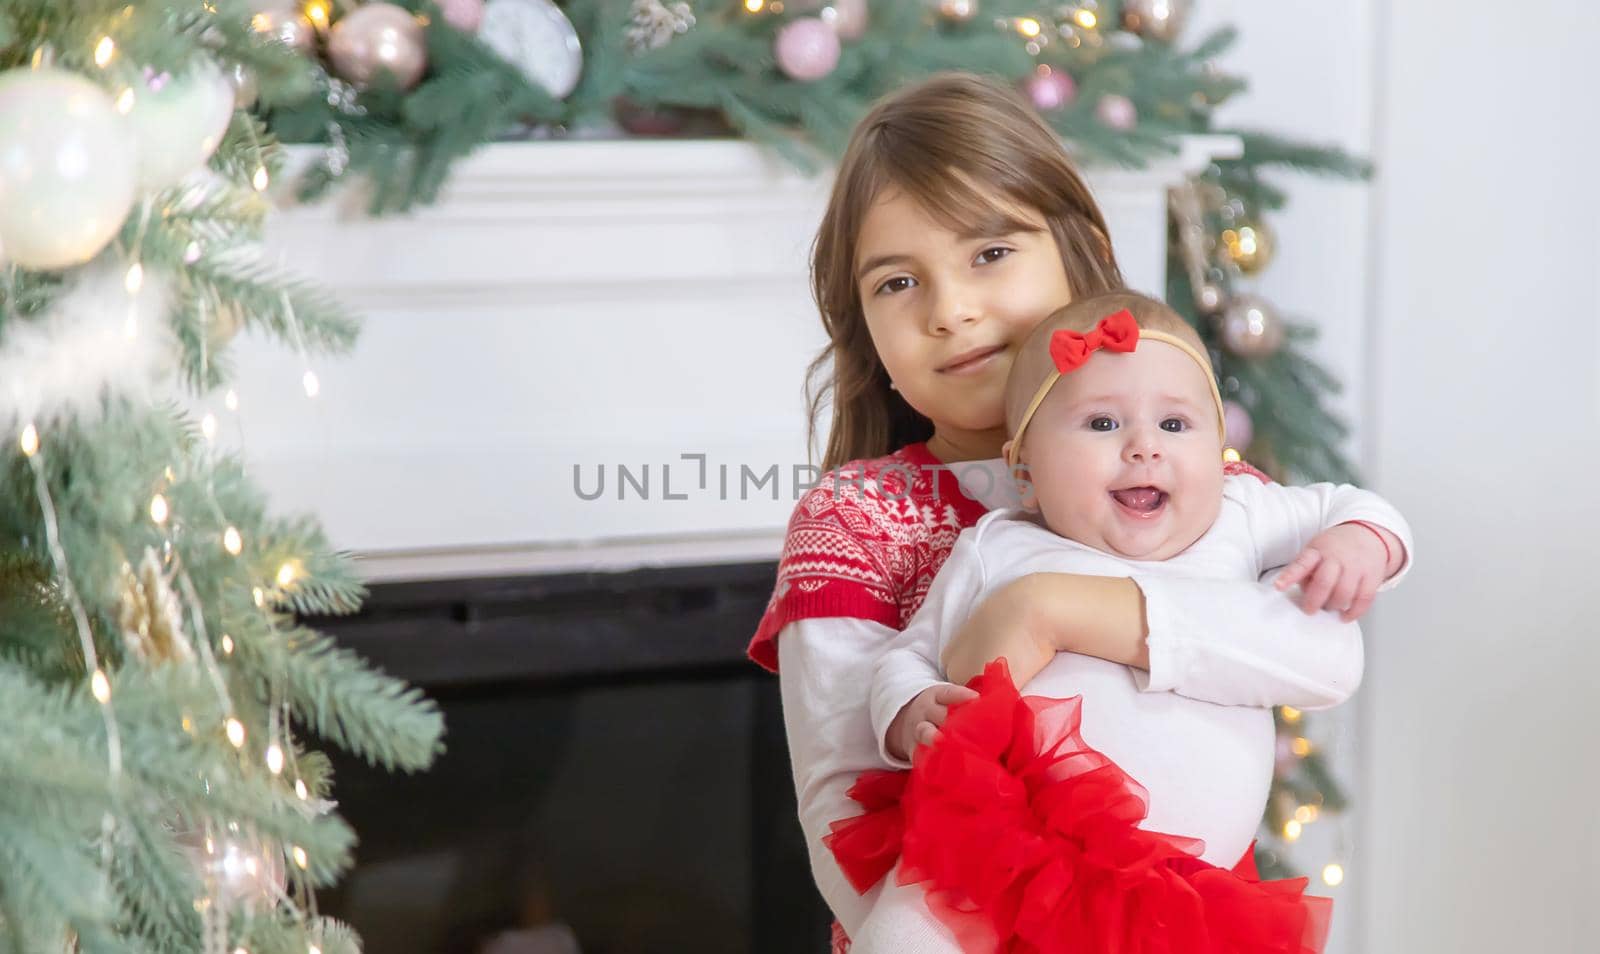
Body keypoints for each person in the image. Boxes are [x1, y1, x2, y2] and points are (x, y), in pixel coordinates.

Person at [745, 71, 1374, 953]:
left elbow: (1317, 650)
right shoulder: (857, 519)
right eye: (896, 283)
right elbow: (840, 803)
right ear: (863, 326)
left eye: (990, 254)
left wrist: (1054, 610)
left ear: (1076, 256)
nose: (951, 311)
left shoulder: (1189, 485)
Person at [835, 291, 1411, 952]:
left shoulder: (1240, 516)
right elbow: (909, 655)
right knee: (907, 932)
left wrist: (1364, 541)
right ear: (1025, 472)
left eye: (1174, 425)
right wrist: (908, 712)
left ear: (1219, 446)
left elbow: (1348, 504)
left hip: (1182, 900)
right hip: (1006, 843)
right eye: (1103, 424)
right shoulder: (999, 545)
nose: (1143, 448)